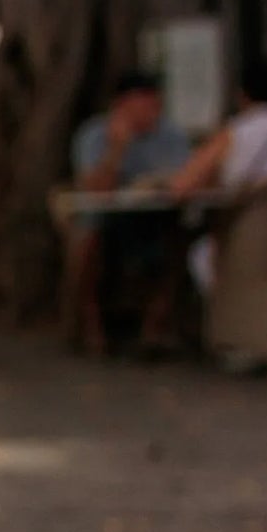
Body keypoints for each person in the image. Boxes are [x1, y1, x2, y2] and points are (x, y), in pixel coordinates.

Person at [66, 72, 190, 354]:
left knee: (180, 239)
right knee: (88, 241)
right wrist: (117, 149)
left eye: (155, 107)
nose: (151, 114)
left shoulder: (170, 135)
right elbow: (94, 191)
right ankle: (90, 325)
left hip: (155, 216)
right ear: (121, 106)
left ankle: (156, 325)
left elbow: (185, 179)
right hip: (106, 218)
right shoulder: (95, 135)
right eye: (143, 107)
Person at [172, 60, 267, 295]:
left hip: (247, 242)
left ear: (243, 96)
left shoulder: (235, 132)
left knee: (199, 254)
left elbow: (182, 186)